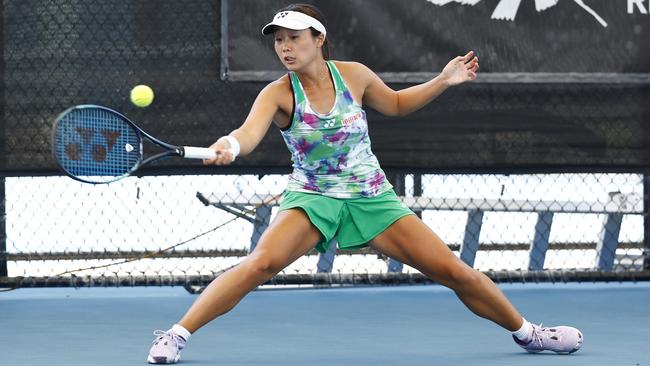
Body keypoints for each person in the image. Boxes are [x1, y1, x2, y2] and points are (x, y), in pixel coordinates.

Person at [147, 3, 582, 364]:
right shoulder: (278, 93)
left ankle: (529, 333)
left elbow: (393, 103)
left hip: (372, 196)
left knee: (453, 270)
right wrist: (229, 146)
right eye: (278, 39)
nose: (284, 47)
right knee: (261, 263)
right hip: (313, 198)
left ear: (319, 39)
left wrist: (443, 81)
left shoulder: (353, 75)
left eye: (294, 37)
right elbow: (247, 131)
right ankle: (175, 334)